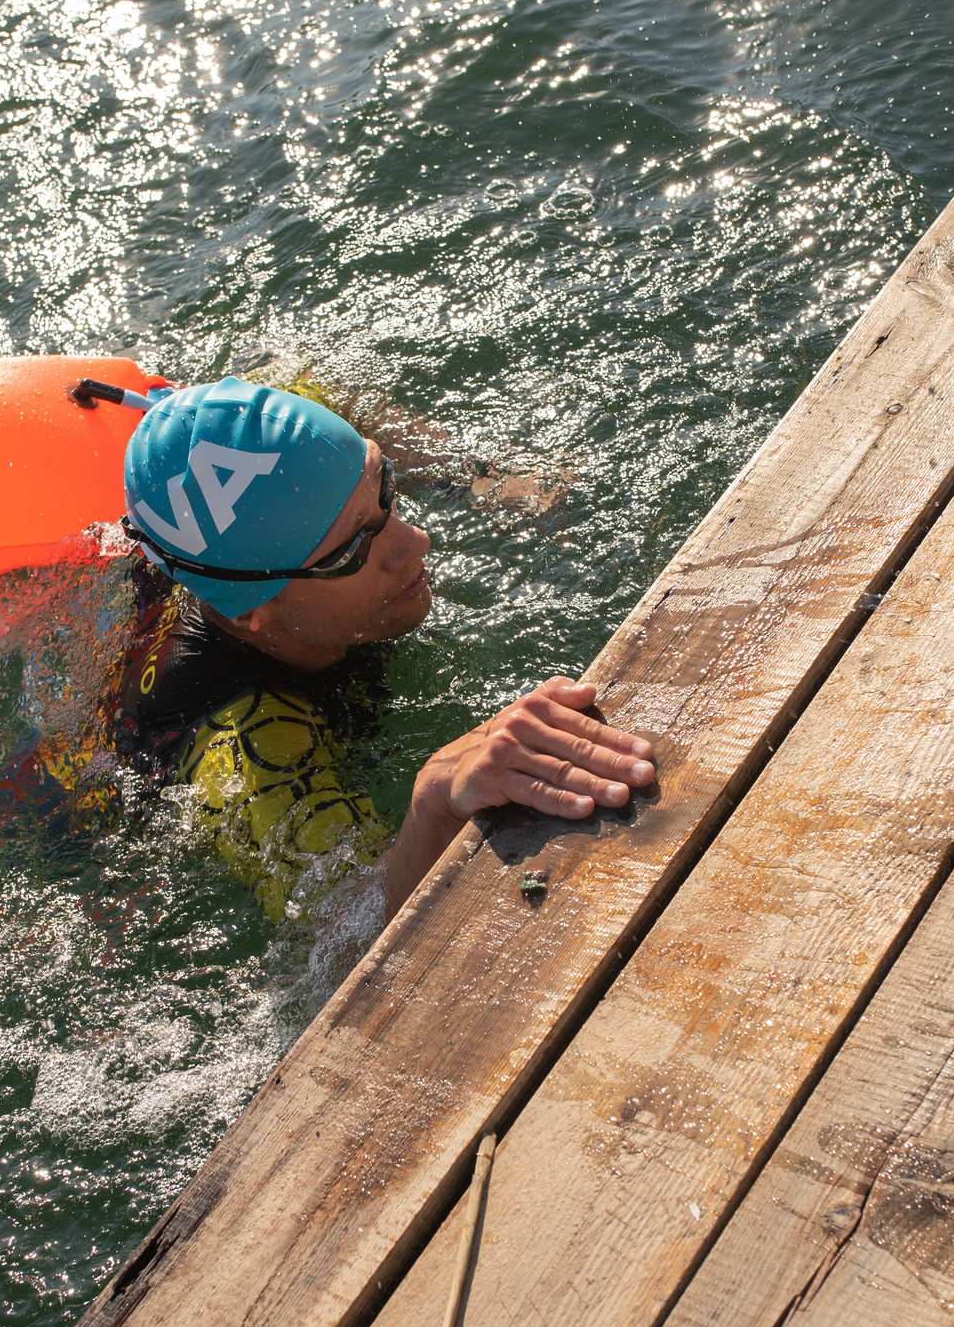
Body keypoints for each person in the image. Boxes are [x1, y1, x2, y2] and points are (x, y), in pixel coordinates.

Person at [113, 378, 656, 920]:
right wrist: (434, 803)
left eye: (382, 490)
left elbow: (336, 403)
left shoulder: (269, 490)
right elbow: (332, 936)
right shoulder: (247, 745)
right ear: (252, 612)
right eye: (350, 549)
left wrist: (481, 479)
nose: (414, 541)